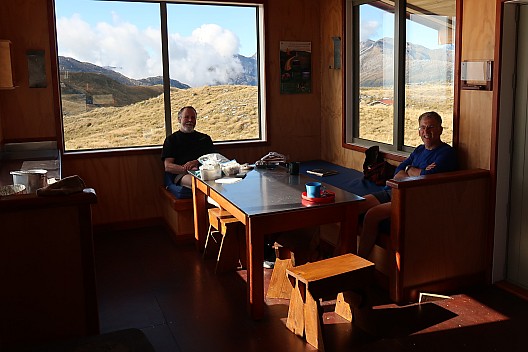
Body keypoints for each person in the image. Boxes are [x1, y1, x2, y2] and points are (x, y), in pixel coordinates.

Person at [357, 111, 458, 258]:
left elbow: (427, 176)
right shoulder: (419, 150)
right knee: (354, 206)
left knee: (372, 214)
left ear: (440, 130)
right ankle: (340, 255)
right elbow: (398, 171)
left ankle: (360, 263)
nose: (426, 132)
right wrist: (413, 170)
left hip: (414, 198)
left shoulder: (446, 153)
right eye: (423, 127)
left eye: (431, 127)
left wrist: (409, 169)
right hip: (393, 190)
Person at [161, 106, 216, 196]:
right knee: (199, 182)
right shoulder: (171, 140)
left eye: (193, 118)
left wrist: (196, 162)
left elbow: (214, 157)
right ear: (179, 119)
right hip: (183, 174)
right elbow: (168, 167)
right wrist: (188, 169)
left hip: (207, 171)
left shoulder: (205, 138)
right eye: (186, 117)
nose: (190, 120)